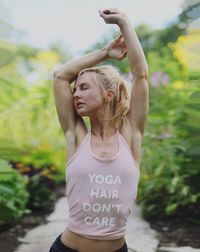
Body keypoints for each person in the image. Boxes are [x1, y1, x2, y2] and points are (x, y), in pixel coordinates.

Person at [50, 7, 148, 252]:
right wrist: (106, 52)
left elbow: (141, 76)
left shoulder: (130, 134)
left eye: (83, 87)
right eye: (75, 91)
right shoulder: (76, 135)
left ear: (109, 94)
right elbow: (61, 76)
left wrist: (124, 22)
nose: (76, 95)